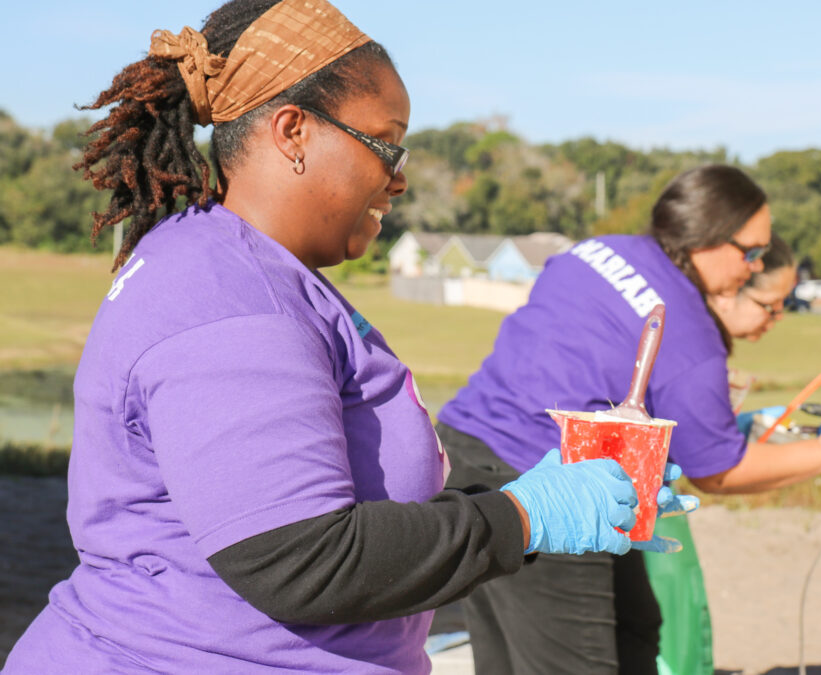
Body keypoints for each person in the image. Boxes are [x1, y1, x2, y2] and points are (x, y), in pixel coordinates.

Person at [3, 1, 688, 672]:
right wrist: (525, 517)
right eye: (387, 144)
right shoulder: (235, 299)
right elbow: (301, 558)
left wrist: (525, 501)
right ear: (293, 130)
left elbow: (343, 516)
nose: (401, 177)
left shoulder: (245, 266)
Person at [436, 164, 821, 674]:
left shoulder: (600, 249)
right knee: (571, 662)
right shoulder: (689, 336)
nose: (752, 268)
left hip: (466, 455)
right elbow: (719, 472)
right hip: (551, 488)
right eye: (752, 253)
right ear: (709, 237)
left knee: (620, 630)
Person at [645, 232, 797, 675]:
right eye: (771, 304)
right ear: (729, 291)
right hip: (638, 515)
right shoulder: (692, 353)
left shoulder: (686, 338)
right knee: (667, 635)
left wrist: (736, 427)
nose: (778, 317)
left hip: (656, 507)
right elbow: (714, 473)